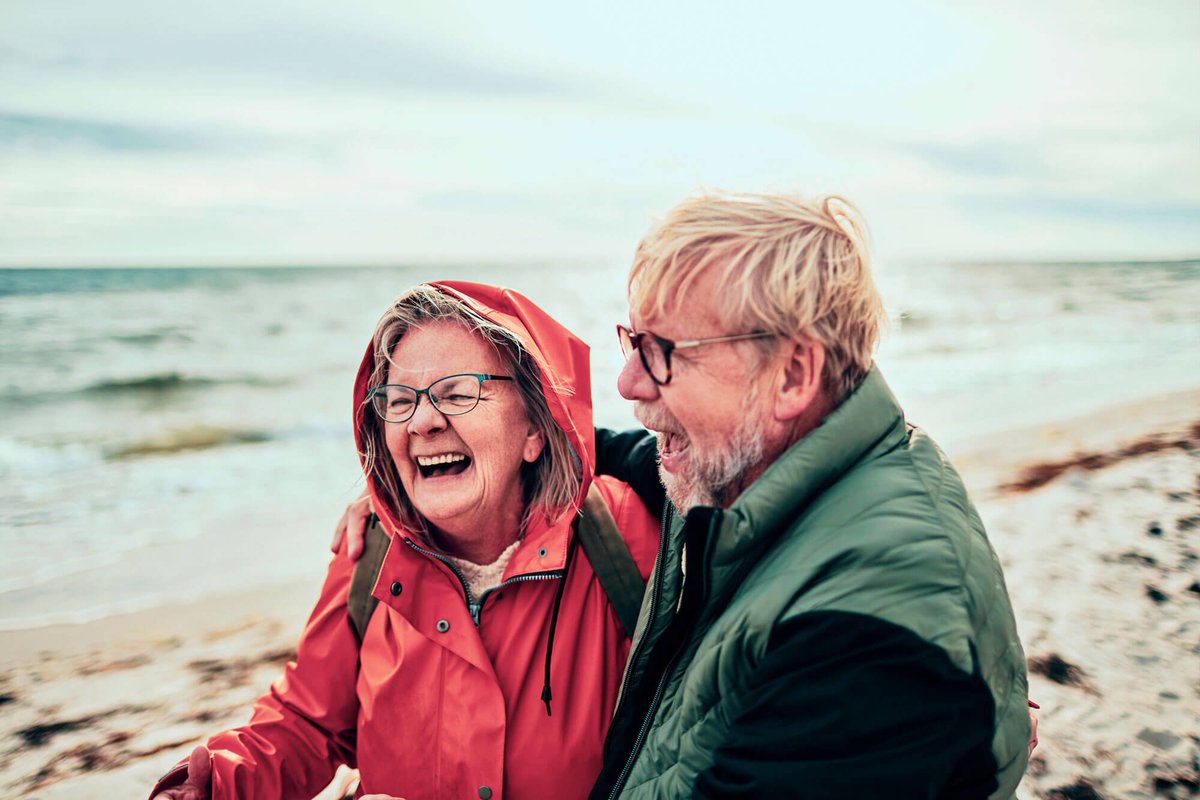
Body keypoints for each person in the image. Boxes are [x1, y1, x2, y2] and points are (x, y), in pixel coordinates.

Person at [587, 191, 1032, 799]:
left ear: (792, 375)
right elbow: (638, 460)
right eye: (632, 342)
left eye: (662, 353)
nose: (627, 382)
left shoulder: (872, 622)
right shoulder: (759, 475)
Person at [149, 282, 658, 799]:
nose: (422, 422)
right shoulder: (369, 552)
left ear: (535, 427)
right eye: (398, 400)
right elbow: (307, 724)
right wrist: (213, 786)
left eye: (457, 393)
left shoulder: (622, 534)